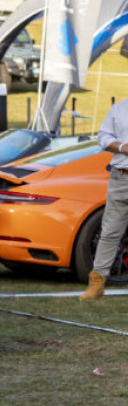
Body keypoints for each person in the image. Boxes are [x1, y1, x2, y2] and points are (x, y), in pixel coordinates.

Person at [79, 98, 128, 300]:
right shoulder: (119, 108)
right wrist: (123, 147)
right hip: (120, 176)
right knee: (109, 233)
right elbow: (103, 138)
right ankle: (96, 285)